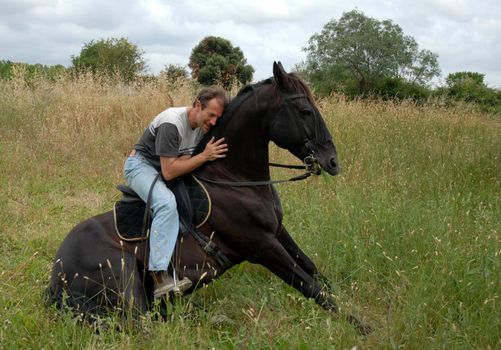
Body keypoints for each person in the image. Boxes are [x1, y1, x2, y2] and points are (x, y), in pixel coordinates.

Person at [123, 86, 229, 298]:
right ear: (197, 105)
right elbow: (170, 171)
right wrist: (204, 156)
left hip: (162, 167)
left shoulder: (202, 127)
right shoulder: (172, 123)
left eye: (218, 117)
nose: (214, 122)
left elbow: (181, 161)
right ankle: (159, 276)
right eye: (211, 115)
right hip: (141, 166)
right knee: (165, 204)